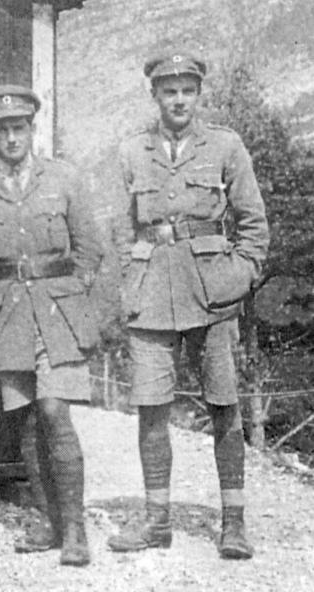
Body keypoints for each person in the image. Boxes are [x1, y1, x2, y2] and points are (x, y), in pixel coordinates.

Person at [107, 53, 269, 560]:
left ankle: (233, 524)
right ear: (154, 96)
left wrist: (237, 278)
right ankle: (157, 522)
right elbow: (117, 228)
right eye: (168, 91)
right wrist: (127, 286)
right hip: (151, 294)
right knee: (151, 410)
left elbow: (254, 227)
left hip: (212, 293)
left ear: (198, 95)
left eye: (186, 91)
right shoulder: (132, 151)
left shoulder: (224, 145)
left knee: (224, 405)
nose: (178, 100)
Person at [0, 85, 102, 567]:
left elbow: (89, 248)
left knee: (56, 410)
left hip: (57, 312)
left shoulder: (64, 179)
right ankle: (47, 520)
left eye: (19, 128)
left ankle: (76, 527)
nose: (12, 138)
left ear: (31, 129)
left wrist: (73, 296)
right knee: (24, 417)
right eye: (2, 130)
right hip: (8, 315)